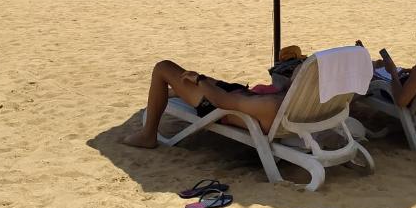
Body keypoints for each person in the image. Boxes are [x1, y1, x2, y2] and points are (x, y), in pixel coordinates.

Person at [122, 60, 290, 149]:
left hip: (215, 103)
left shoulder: (270, 105)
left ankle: (148, 135)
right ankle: (173, 92)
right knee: (187, 81)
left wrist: (199, 79)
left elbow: (222, 101)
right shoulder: (291, 101)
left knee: (163, 68)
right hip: (236, 93)